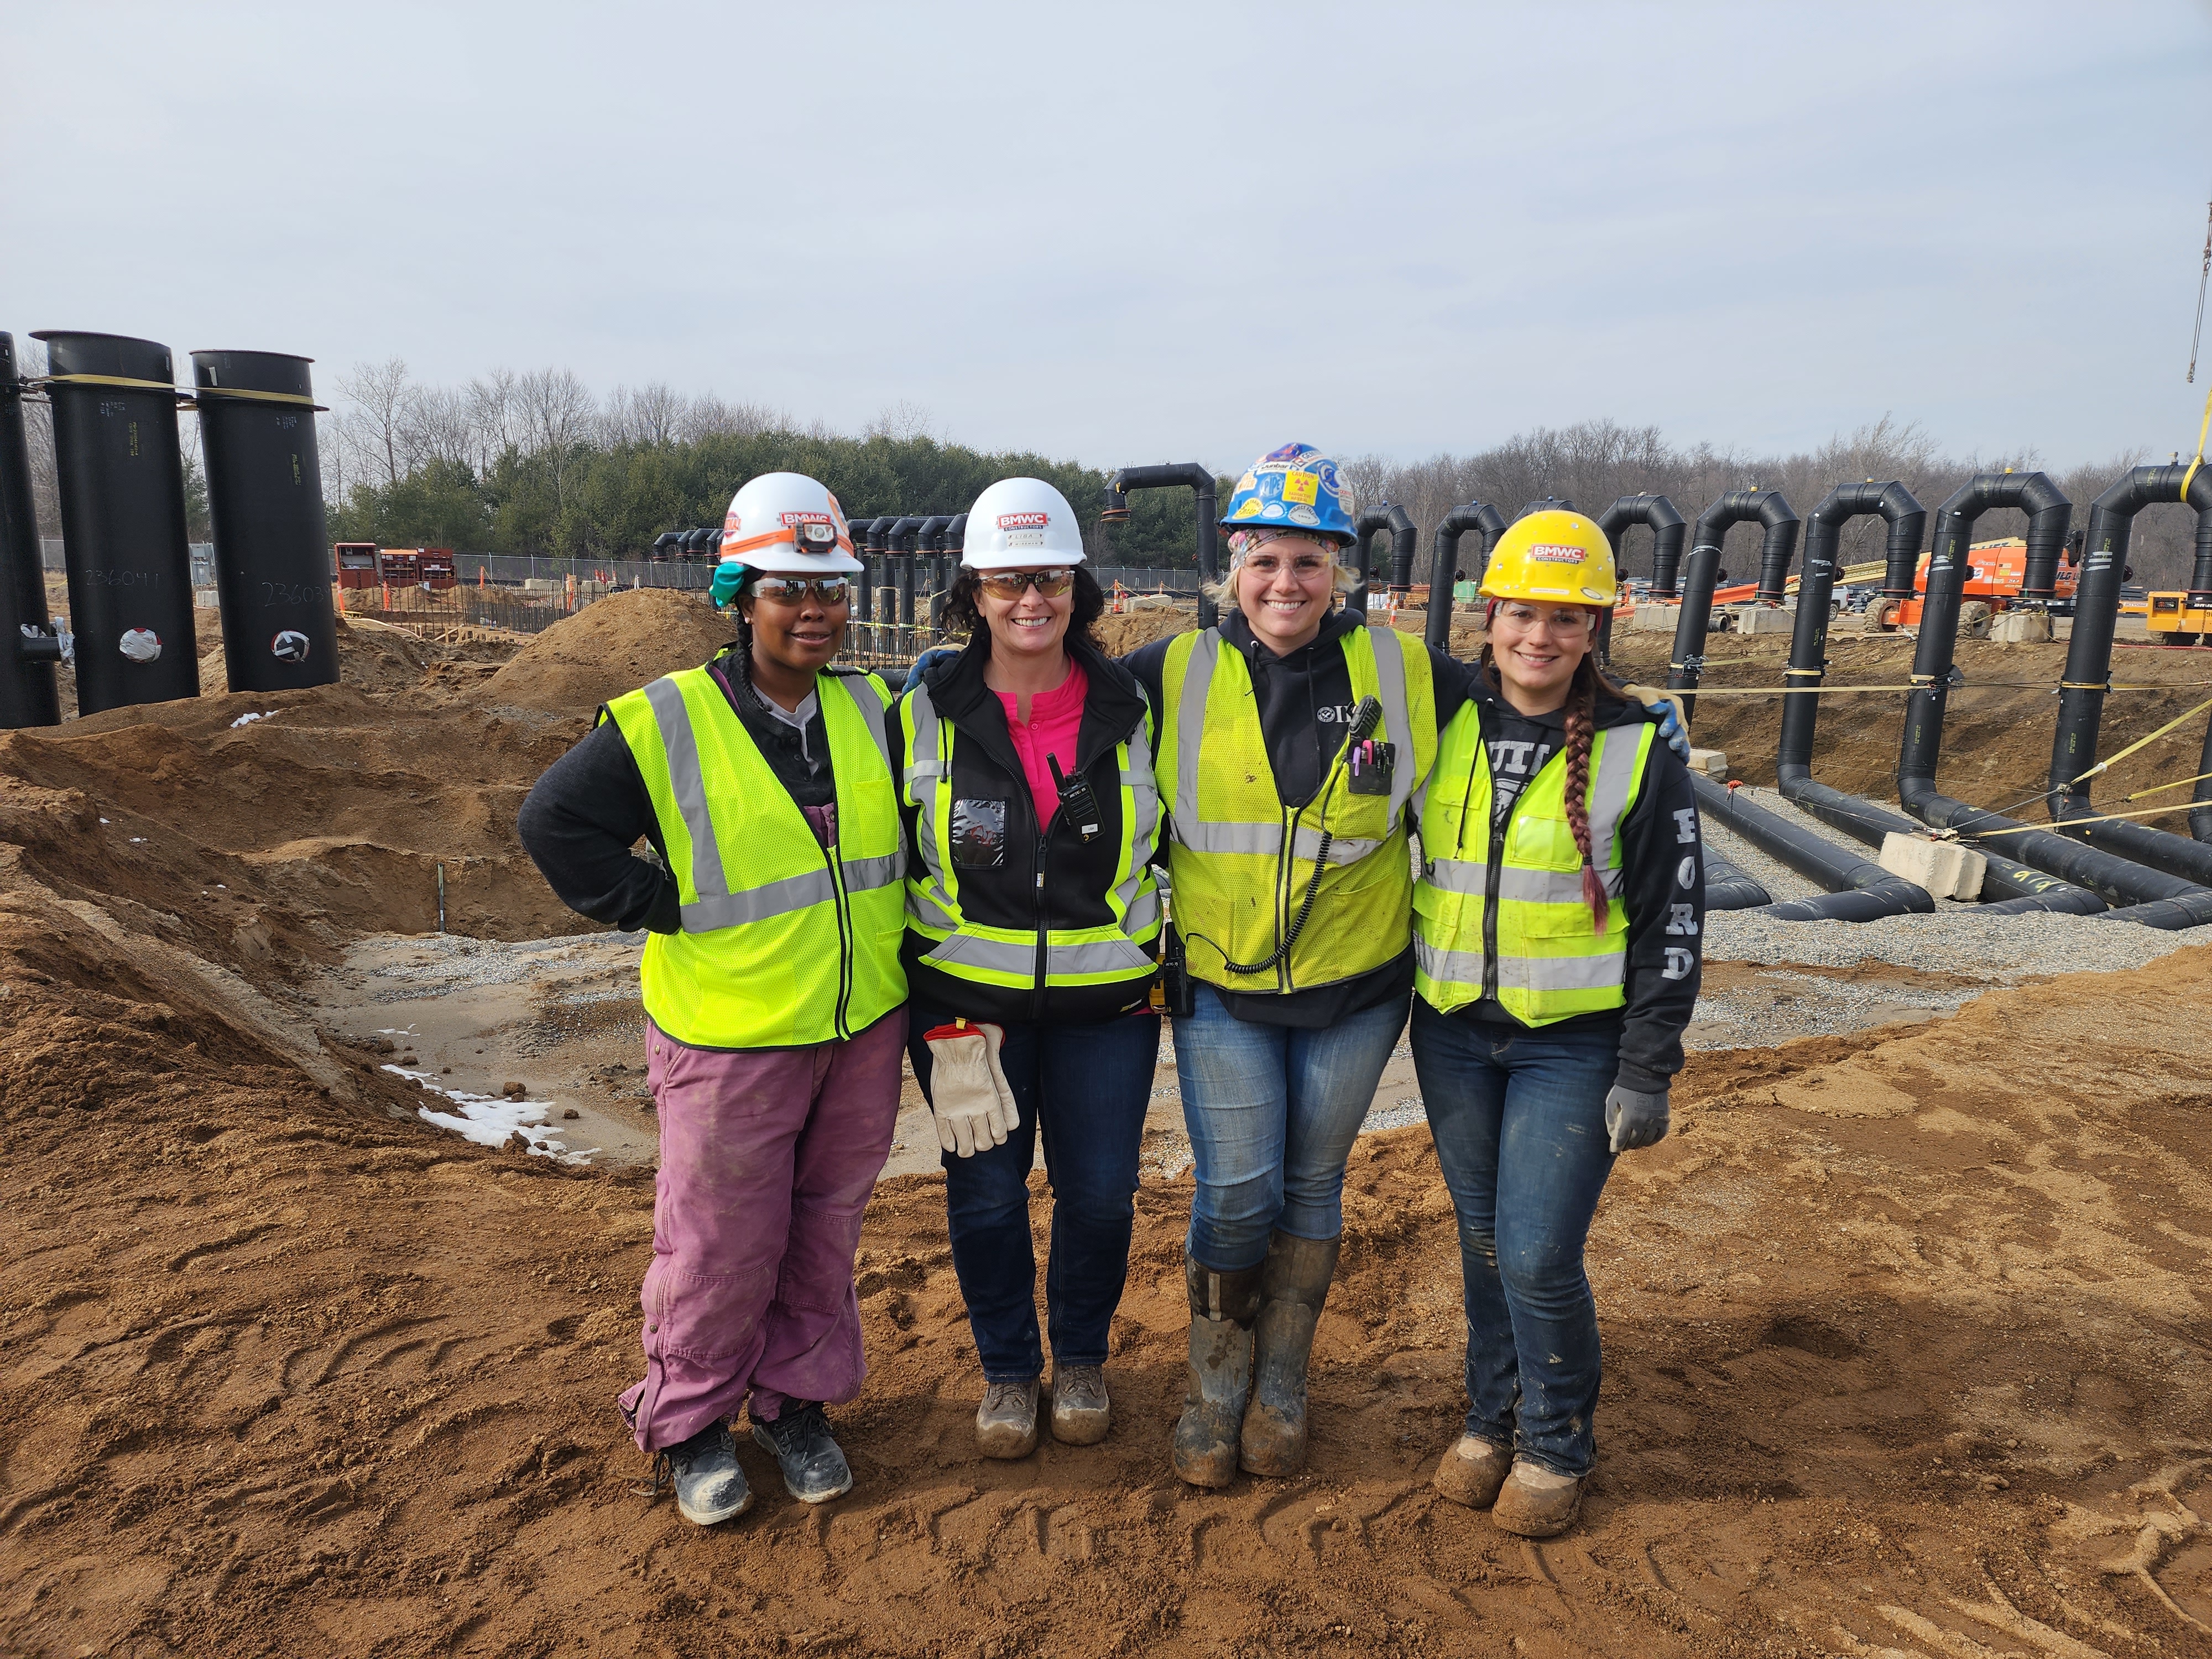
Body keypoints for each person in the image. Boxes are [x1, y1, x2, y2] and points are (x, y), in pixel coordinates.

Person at [517, 472, 906, 1527]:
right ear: (740, 596)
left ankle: (792, 1406)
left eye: (829, 589)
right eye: (788, 590)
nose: (814, 610)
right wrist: (661, 905)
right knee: (721, 1244)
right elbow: (553, 823)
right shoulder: (668, 717)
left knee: (823, 1231)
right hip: (730, 1036)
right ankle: (689, 1424)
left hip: (860, 1028)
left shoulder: (873, 709)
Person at [1409, 509, 1704, 1538]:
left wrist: (1649, 1067)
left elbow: (1674, 919)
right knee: (1485, 1240)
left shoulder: (1639, 748)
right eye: (1523, 614)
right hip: (1452, 1031)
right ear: (1489, 616)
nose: (1540, 636)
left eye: (1566, 619)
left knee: (1537, 1253)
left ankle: (1555, 1442)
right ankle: (1489, 1419)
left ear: (1594, 629)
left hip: (1573, 1043)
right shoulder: (1440, 717)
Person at [893, 478, 1165, 1459]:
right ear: (974, 592)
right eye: (1007, 582)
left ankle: (1080, 1358)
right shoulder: (920, 712)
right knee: (987, 1199)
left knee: (1099, 1197)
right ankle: (1009, 1372)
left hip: (1109, 1012)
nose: (1030, 600)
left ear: (1077, 586)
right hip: (967, 1018)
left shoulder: (1138, 709)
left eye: (1049, 578)